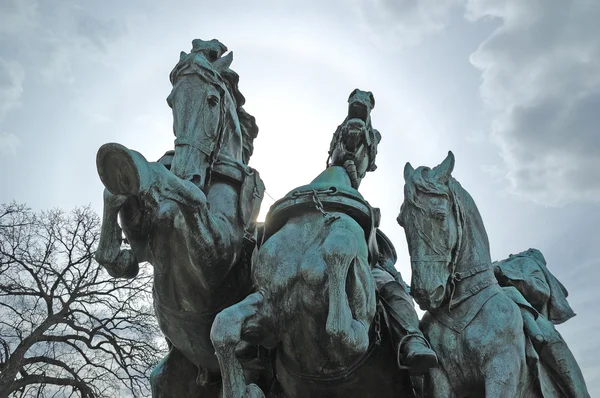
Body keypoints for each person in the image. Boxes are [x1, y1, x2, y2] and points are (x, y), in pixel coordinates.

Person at [328, 88, 437, 374]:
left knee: (390, 289)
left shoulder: (371, 216)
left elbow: (376, 255)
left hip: (369, 264)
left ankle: (411, 339)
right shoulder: (317, 188)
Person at [494, 248, 590, 398]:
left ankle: (578, 393)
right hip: (486, 303)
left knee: (552, 341)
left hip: (522, 310)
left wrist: (504, 273)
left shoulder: (526, 262)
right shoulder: (499, 262)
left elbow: (541, 290)